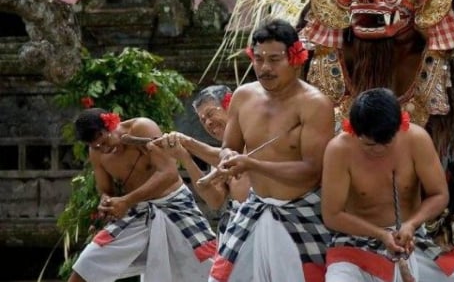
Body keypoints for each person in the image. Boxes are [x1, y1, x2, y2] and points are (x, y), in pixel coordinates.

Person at [321, 88, 454, 282]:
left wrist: (411, 225)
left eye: (386, 143)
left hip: (414, 239)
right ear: (354, 131)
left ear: (399, 127)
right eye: (370, 145)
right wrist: (381, 235)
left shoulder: (416, 139)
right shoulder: (339, 150)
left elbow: (439, 195)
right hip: (357, 243)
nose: (378, 150)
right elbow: (333, 215)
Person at [208, 19, 335, 282]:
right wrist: (228, 157)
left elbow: (312, 171)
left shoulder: (314, 104)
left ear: (295, 58)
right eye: (258, 59)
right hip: (254, 207)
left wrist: (252, 165)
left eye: (274, 59)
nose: (265, 68)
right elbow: (228, 148)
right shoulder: (243, 96)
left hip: (303, 211)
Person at [68, 108, 217, 282]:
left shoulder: (142, 128)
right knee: (87, 263)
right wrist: (106, 202)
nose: (104, 149)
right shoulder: (97, 154)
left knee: (210, 266)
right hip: (136, 212)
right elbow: (106, 190)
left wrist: (126, 201)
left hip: (174, 204)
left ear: (111, 124)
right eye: (97, 147)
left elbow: (168, 174)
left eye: (105, 141)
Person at [153, 84, 250, 237]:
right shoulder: (221, 153)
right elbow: (214, 200)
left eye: (210, 114)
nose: (208, 123)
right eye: (203, 120)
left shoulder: (255, 135)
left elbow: (236, 156)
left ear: (231, 106)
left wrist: (188, 142)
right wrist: (185, 157)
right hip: (240, 224)